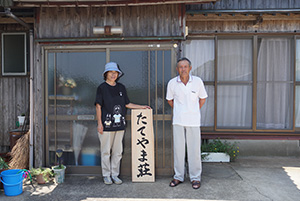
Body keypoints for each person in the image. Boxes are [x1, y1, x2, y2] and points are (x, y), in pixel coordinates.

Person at [95, 62, 151, 185]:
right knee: (105, 151)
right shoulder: (102, 88)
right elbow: (98, 106)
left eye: (115, 72)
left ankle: (115, 174)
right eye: (111, 72)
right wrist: (100, 123)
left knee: (118, 152)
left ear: (118, 74)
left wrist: (141, 107)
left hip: (119, 125)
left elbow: (127, 104)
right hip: (106, 126)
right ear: (106, 74)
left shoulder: (121, 88)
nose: (113, 74)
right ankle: (106, 175)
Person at [166, 57, 208, 189]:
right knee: (178, 150)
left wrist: (192, 110)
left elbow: (202, 99)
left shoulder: (197, 81)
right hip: (178, 121)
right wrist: (180, 111)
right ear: (177, 69)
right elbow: (169, 100)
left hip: (194, 121)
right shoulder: (172, 83)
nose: (183, 69)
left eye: (185, 66)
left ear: (190, 68)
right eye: (180, 67)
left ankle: (195, 178)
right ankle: (178, 176)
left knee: (194, 150)